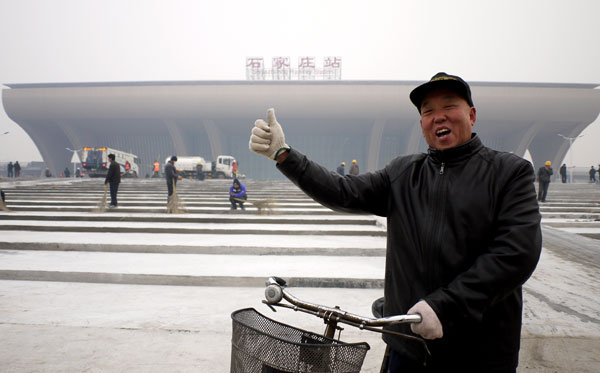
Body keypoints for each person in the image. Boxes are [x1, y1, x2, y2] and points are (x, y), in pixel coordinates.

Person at [249, 72, 542, 372]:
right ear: (421, 124)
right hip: (409, 350)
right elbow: (343, 191)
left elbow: (516, 253)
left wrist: (444, 306)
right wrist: (284, 155)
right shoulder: (402, 174)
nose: (438, 117)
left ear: (472, 114)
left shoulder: (508, 173)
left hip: (481, 352)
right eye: (428, 111)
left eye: (449, 107)